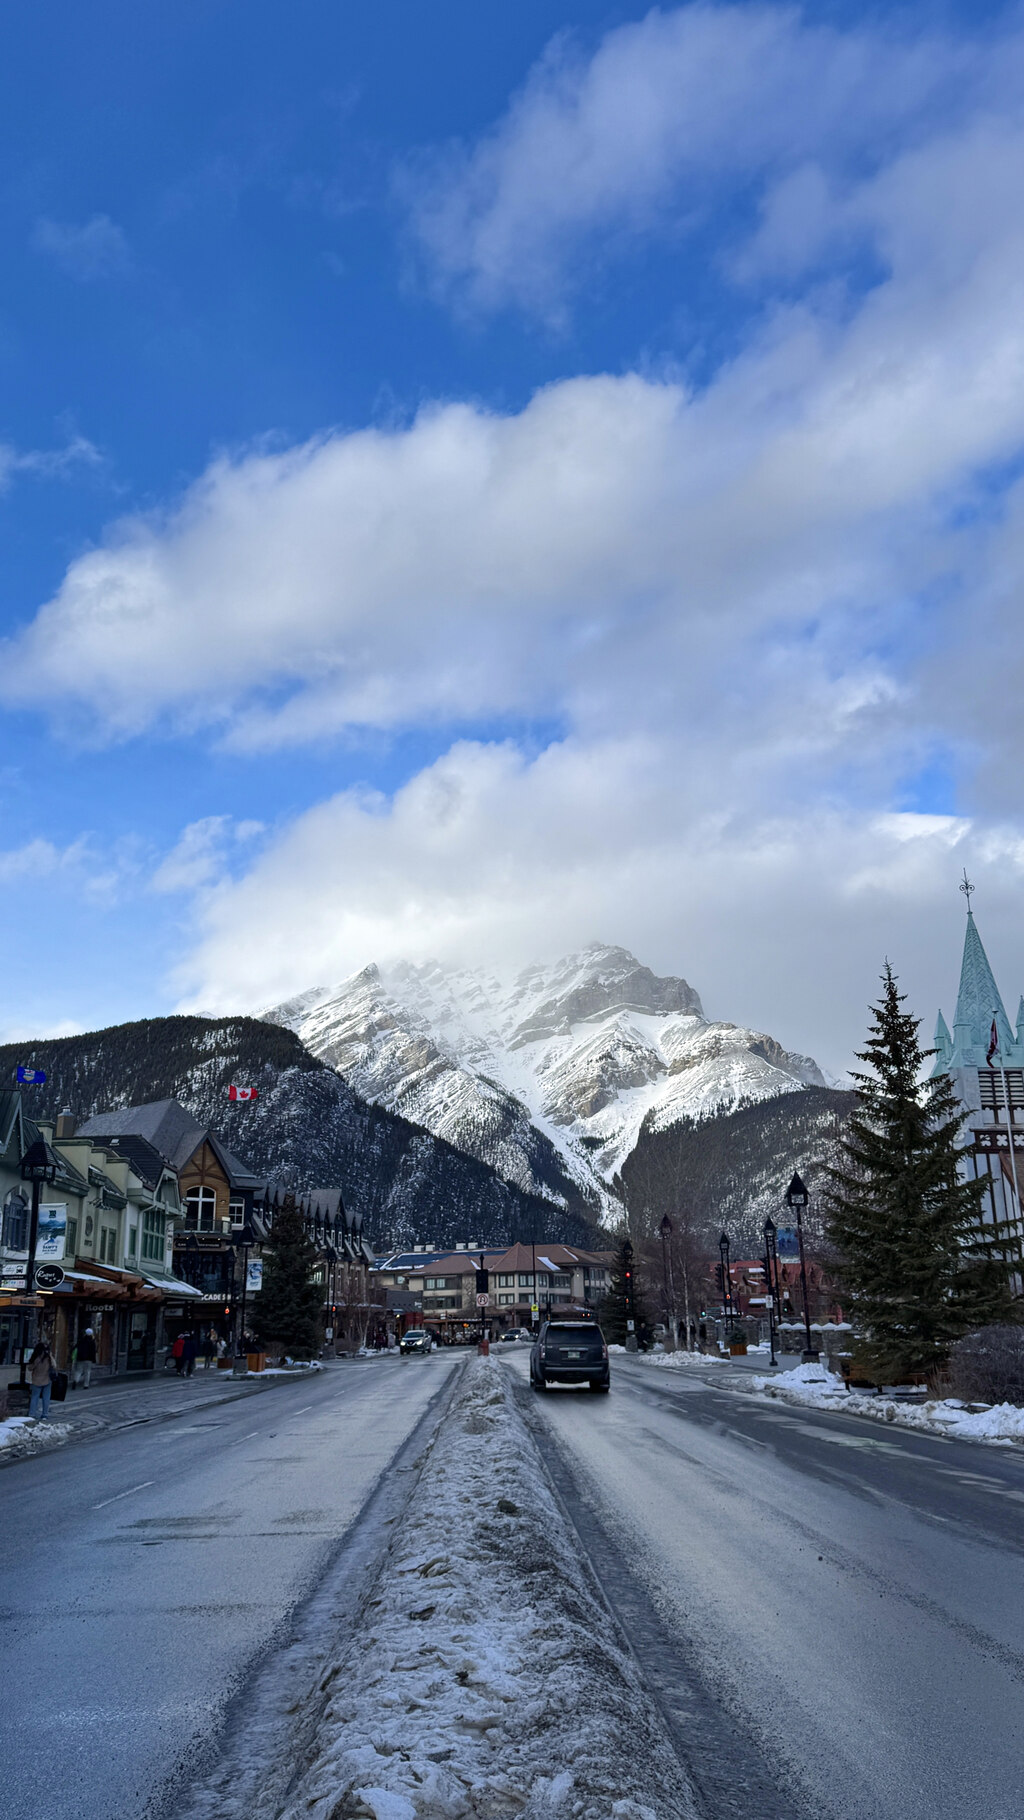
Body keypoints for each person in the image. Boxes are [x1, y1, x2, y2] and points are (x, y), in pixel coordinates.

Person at [27, 1340, 55, 1421]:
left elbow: (30, 1368)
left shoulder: (35, 1357)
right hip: (47, 1379)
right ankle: (45, 1414)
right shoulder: (48, 1357)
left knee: (34, 1397)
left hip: (36, 1380)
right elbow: (54, 1365)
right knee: (46, 1398)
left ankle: (32, 1414)